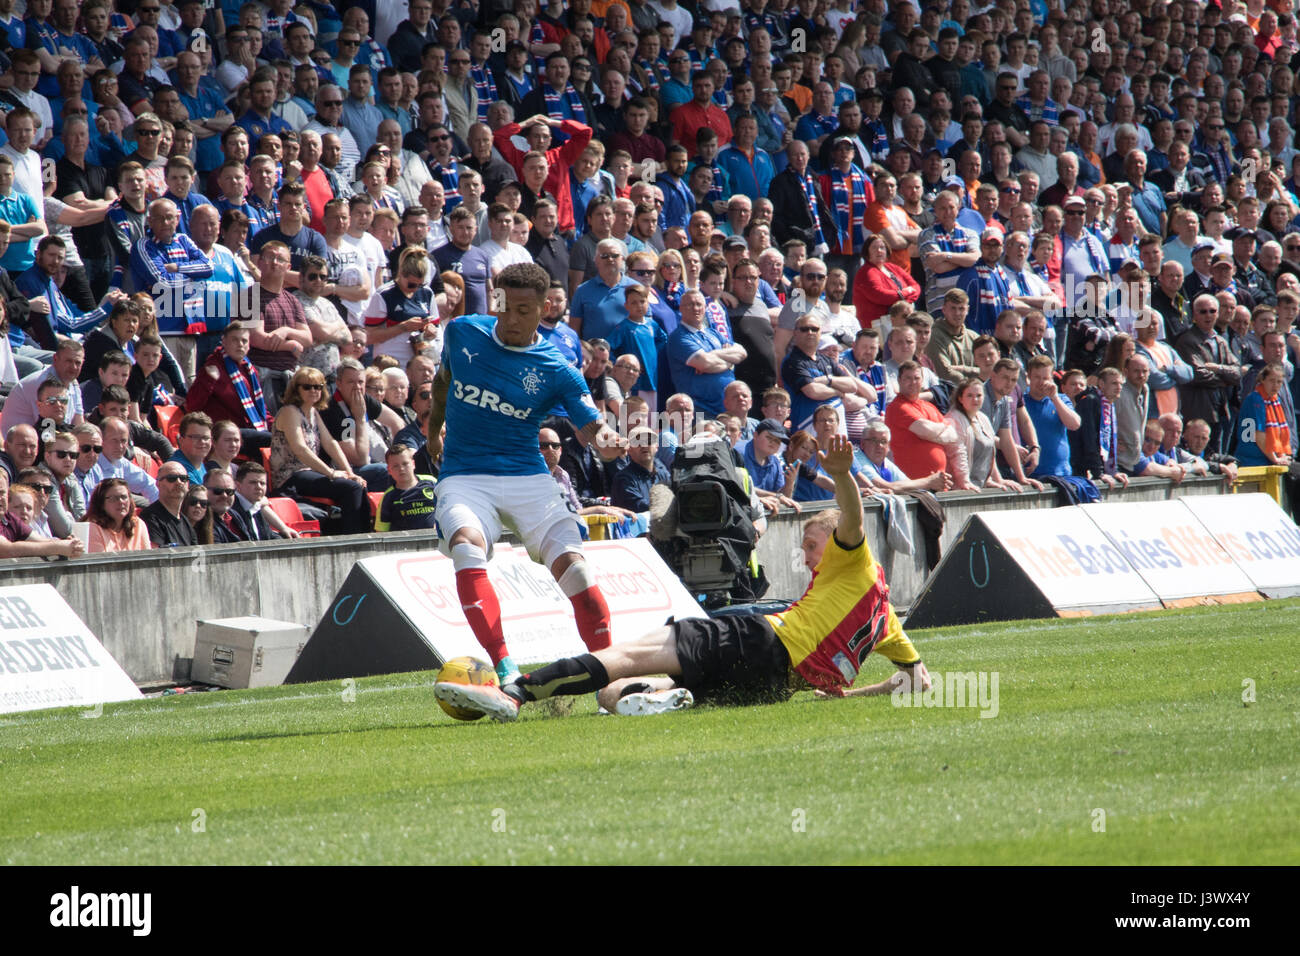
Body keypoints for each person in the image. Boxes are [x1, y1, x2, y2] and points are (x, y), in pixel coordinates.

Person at [435, 435, 932, 720]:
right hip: (769, 687)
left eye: (810, 544)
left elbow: (851, 518)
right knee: (613, 692)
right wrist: (865, 692)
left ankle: (514, 691)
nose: (806, 558)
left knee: (624, 654)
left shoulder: (854, 561)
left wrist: (843, 476)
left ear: (836, 541)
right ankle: (662, 699)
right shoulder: (888, 622)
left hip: (757, 640)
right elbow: (918, 681)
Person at [427, 262, 628, 685]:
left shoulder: (557, 369)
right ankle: (505, 667)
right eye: (505, 307)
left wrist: (608, 439)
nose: (511, 319)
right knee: (466, 546)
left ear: (545, 309)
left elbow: (589, 424)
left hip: (528, 477)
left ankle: (610, 678)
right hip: (465, 475)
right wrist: (432, 433)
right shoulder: (463, 332)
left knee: (577, 570)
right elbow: (443, 383)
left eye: (524, 310)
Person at [270, 367, 370, 535]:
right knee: (351, 488)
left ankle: (365, 534)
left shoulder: (313, 412)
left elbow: (331, 443)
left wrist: (349, 472)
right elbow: (300, 449)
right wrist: (331, 473)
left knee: (358, 484)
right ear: (296, 389)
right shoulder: (289, 411)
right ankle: (353, 538)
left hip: (309, 473)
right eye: (307, 387)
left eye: (318, 386)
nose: (314, 390)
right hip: (290, 476)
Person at [944, 377, 1013, 491]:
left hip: (979, 485)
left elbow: (990, 454)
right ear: (960, 398)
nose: (975, 399)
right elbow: (957, 454)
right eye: (969, 395)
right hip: (959, 488)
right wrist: (964, 482)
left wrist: (995, 479)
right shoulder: (953, 419)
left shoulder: (983, 418)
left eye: (979, 396)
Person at [1023, 355, 1082, 479]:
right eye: (1037, 377)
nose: (1041, 382)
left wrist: (1054, 398)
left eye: (1045, 378)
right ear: (1028, 377)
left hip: (1060, 473)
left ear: (1052, 378)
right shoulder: (1021, 401)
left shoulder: (1061, 399)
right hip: (1030, 473)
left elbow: (1075, 425)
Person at [853, 234, 921, 328]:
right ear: (867, 252)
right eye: (874, 248)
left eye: (882, 247)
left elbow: (916, 287)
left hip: (902, 322)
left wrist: (905, 301)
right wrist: (903, 294)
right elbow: (879, 295)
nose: (879, 250)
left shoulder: (892, 267)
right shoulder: (866, 272)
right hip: (878, 326)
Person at [1236, 364, 1294, 468]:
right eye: (1272, 381)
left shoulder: (1274, 400)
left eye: (1279, 382)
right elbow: (1259, 436)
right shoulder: (1255, 399)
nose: (1275, 385)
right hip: (1251, 460)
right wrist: (1276, 459)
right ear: (1263, 380)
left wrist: (1282, 455)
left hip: (1265, 459)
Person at [375, 444, 438, 532]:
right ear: (389, 470)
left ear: (413, 464)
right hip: (405, 543)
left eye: (405, 463)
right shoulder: (388, 497)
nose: (401, 468)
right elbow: (381, 531)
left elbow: (447, 507)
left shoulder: (431, 482)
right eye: (395, 466)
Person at [140, 460, 199, 547]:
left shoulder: (185, 521)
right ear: (158, 483)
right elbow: (154, 556)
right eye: (171, 478)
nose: (179, 482)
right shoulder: (150, 517)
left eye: (183, 478)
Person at [85, 477, 152, 553]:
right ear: (101, 503)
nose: (120, 502)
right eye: (113, 498)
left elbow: (148, 559)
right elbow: (98, 563)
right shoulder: (92, 527)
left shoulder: (138, 524)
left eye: (124, 497)